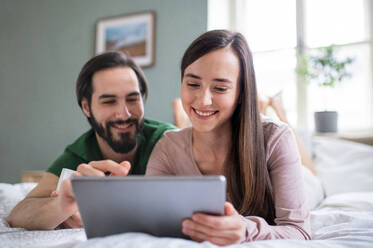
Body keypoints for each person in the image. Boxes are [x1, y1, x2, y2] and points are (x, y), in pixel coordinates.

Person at [146, 30, 311, 245]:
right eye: (193, 84)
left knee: (313, 175)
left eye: (220, 88)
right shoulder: (168, 146)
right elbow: (148, 218)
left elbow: (299, 230)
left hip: (309, 184)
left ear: (242, 92)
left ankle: (279, 109)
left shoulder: (275, 137)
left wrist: (245, 229)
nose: (203, 100)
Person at [7, 52, 176, 230]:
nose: (124, 114)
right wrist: (61, 207)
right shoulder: (80, 153)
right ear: (87, 107)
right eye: (109, 101)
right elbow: (18, 214)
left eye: (133, 99)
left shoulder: (168, 140)